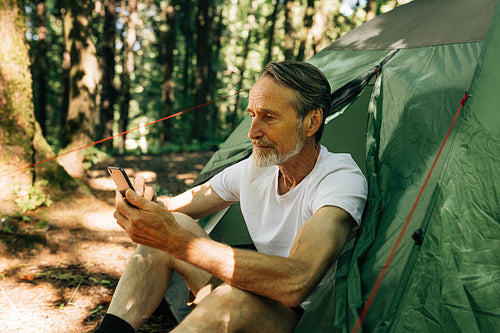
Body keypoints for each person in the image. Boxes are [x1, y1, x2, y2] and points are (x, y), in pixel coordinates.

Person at [96, 61, 368, 333]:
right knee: (171, 225)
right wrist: (143, 203)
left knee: (227, 299)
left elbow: (297, 280)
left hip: (306, 319)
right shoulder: (257, 167)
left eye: (269, 117)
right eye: (252, 115)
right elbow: (181, 204)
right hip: (256, 293)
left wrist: (175, 240)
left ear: (312, 122)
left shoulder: (339, 180)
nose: (253, 132)